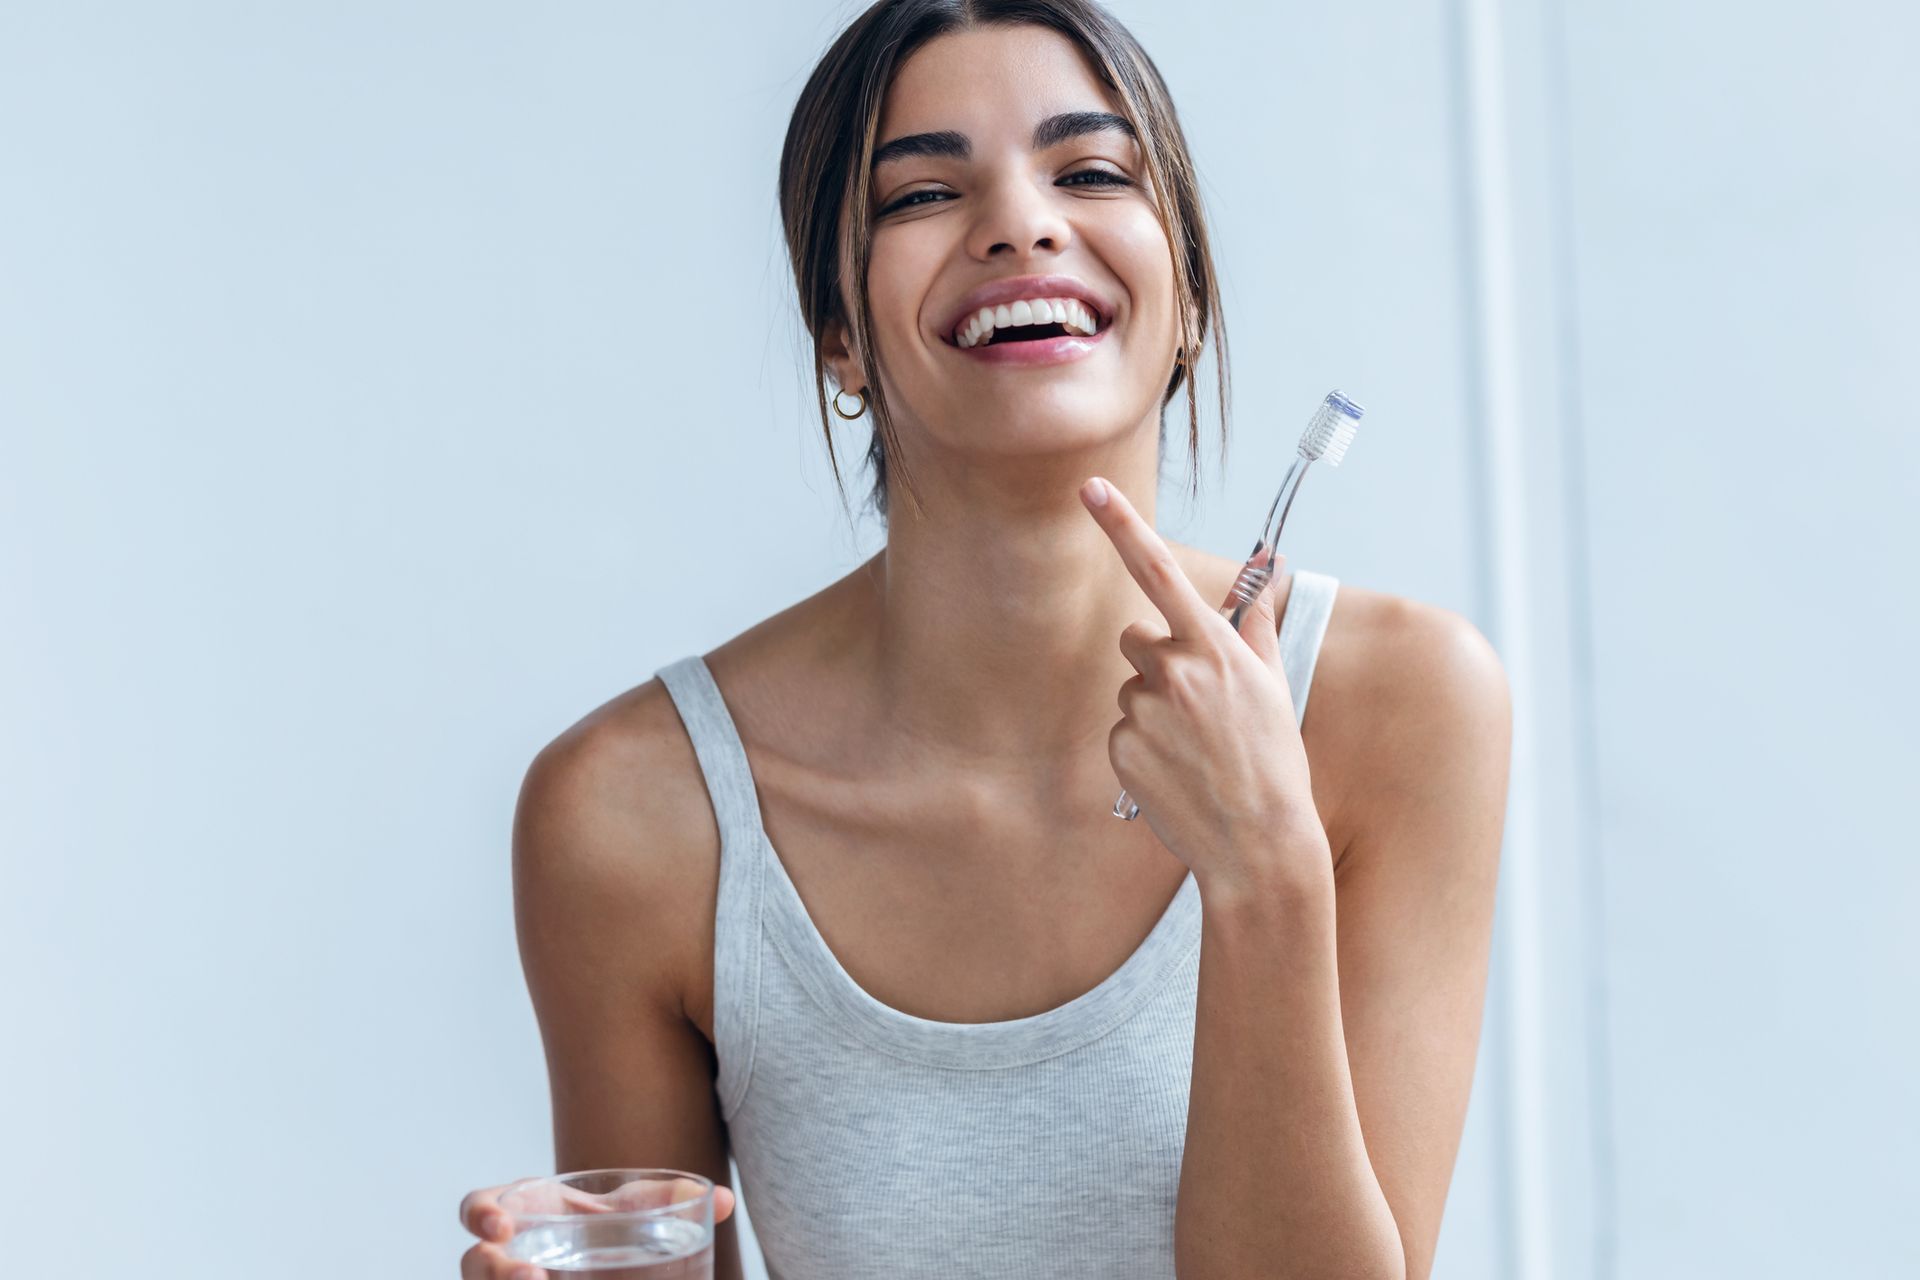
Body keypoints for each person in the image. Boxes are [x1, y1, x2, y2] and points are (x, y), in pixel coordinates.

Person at [458, 2, 1511, 1277]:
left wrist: (1266, 868)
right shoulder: (634, 812)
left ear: (1187, 295)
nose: (1021, 222)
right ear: (839, 336)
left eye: (1092, 173)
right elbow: (644, 1250)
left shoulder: (1400, 706)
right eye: (921, 195)